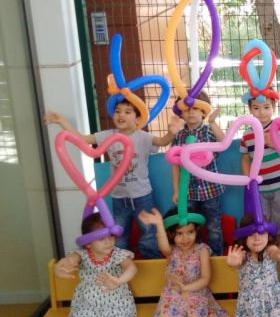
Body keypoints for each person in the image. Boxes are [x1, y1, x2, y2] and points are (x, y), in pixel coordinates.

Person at [44, 104, 179, 258]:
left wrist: (171, 133)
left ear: (137, 119)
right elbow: (83, 139)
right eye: (117, 111)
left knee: (149, 234)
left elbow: (162, 141)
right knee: (118, 237)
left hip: (142, 196)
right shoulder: (108, 135)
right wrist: (61, 121)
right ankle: (119, 263)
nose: (121, 115)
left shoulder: (143, 137)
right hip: (119, 198)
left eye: (127, 112)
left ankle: (152, 263)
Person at [171, 91, 226, 256]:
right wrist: (176, 190)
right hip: (189, 192)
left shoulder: (208, 131)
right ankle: (196, 258)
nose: (191, 112)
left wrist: (213, 122)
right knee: (192, 227)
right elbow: (175, 165)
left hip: (211, 190)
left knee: (214, 227)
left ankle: (217, 257)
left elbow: (223, 142)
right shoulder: (179, 136)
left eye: (195, 108)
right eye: (186, 109)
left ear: (203, 111)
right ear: (181, 113)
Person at [240, 89, 280, 248]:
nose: (261, 112)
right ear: (250, 109)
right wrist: (248, 180)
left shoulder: (277, 127)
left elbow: (278, 143)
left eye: (266, 107)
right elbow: (245, 158)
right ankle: (267, 252)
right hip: (259, 188)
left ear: (273, 108)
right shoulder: (246, 134)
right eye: (256, 108)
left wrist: (264, 134)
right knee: (262, 222)